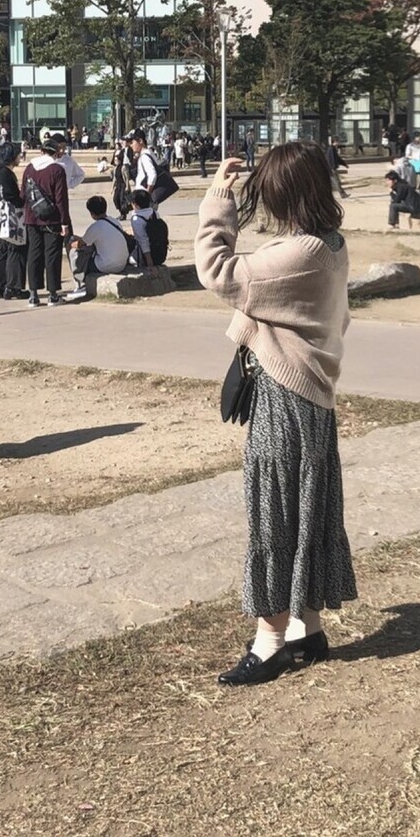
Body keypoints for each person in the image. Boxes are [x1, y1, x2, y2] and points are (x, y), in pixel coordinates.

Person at [194, 143, 356, 686]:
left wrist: (219, 196)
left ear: (287, 194)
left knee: (275, 511)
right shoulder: (330, 244)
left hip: (285, 394)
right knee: (307, 507)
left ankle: (269, 644)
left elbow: (217, 271)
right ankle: (308, 628)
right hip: (312, 393)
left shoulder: (299, 253)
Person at [23, 140, 72, 307]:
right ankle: (53, 294)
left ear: (41, 151)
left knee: (34, 253)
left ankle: (33, 294)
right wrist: (64, 221)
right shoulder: (57, 169)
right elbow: (61, 199)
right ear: (56, 153)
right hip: (52, 218)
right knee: (52, 254)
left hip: (31, 217)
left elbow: (24, 193)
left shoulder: (29, 168)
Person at [65, 194, 132, 299]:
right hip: (122, 263)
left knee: (74, 251)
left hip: (107, 265)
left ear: (92, 213)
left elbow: (80, 244)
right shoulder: (115, 221)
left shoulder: (96, 227)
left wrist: (70, 243)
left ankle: (79, 283)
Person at [0, 145, 28, 300]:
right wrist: (21, 202)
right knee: (15, 249)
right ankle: (13, 286)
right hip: (11, 215)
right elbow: (8, 194)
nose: (20, 158)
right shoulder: (5, 173)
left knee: (3, 249)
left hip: (3, 215)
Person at [129, 188, 160, 272]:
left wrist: (149, 262)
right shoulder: (154, 213)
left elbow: (143, 240)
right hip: (159, 252)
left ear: (135, 205)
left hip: (145, 256)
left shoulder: (136, 219)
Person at [128, 129, 158, 194]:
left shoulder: (144, 156)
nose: (131, 145)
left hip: (142, 194)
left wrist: (147, 194)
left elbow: (152, 175)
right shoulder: (149, 153)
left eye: (132, 142)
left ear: (140, 141)